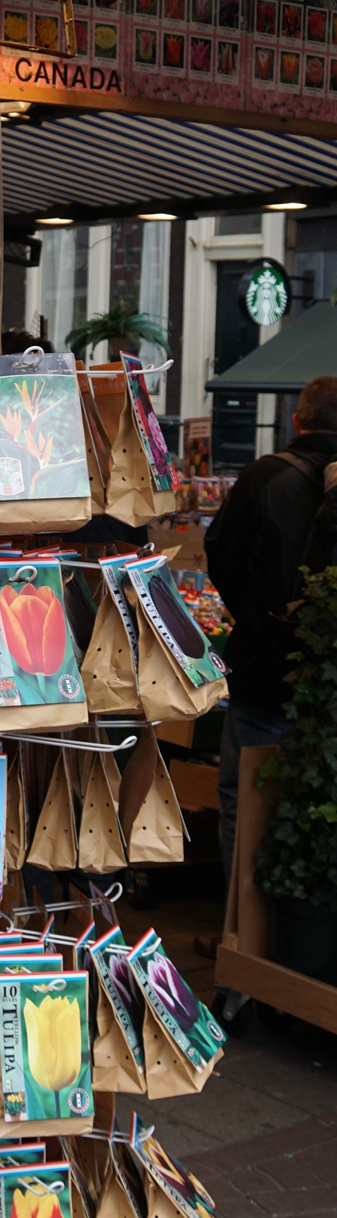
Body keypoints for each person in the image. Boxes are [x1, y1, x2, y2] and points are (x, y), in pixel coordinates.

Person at [205, 373, 337, 897]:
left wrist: (259, 619)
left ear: (296, 421)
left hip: (264, 671)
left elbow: (223, 557)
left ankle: (243, 932)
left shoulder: (264, 476)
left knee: (245, 800)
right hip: (327, 684)